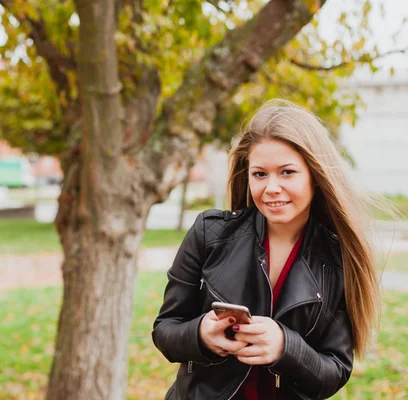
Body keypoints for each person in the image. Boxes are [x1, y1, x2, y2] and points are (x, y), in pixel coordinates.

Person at [152, 99, 381, 400]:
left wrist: (286, 348)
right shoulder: (209, 233)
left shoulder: (337, 258)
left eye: (287, 172)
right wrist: (201, 335)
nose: (271, 187)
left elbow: (333, 372)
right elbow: (165, 330)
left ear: (315, 174)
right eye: (260, 174)